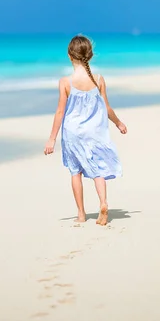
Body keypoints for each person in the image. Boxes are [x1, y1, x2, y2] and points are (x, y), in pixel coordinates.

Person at [44, 34, 127, 225]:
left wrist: (52, 139)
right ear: (89, 55)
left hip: (73, 133)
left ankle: (81, 215)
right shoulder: (98, 79)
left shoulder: (66, 82)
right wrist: (119, 123)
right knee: (98, 169)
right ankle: (103, 202)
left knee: (75, 172)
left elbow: (59, 112)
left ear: (69, 55)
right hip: (95, 132)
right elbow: (107, 108)